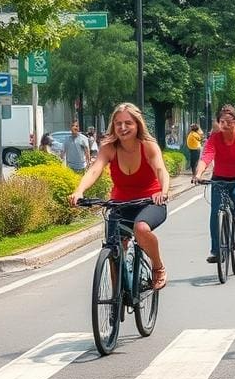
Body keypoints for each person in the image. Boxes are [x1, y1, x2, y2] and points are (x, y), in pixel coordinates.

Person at [69, 103, 170, 290]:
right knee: (114, 246)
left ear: (138, 124)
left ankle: (158, 267)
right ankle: (117, 296)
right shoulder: (109, 148)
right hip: (120, 203)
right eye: (118, 124)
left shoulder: (148, 146)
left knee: (141, 229)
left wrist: (162, 192)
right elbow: (94, 171)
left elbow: (160, 169)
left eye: (128, 123)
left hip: (150, 202)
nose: (123, 128)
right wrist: (79, 190)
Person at [194, 104, 235, 263]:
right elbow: (206, 156)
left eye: (229, 121)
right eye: (222, 122)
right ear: (218, 123)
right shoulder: (214, 139)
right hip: (220, 179)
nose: (226, 125)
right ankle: (216, 250)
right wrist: (198, 174)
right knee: (216, 212)